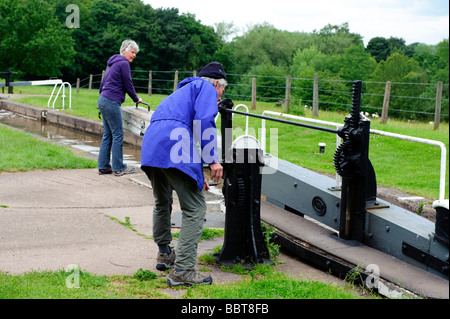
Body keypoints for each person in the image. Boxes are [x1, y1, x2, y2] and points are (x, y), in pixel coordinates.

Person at [140, 62, 226, 287]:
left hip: (152, 145)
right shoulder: (206, 88)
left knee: (162, 201)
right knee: (195, 208)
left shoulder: (180, 93)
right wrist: (213, 160)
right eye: (222, 91)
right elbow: (204, 122)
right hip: (173, 143)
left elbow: (187, 132)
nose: (219, 97)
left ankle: (164, 253)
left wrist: (198, 174)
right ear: (216, 83)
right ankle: (184, 270)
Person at [97, 39, 142, 176]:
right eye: (132, 52)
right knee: (117, 134)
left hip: (103, 99)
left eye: (135, 53)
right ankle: (118, 167)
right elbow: (128, 84)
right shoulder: (123, 63)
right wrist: (136, 99)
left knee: (108, 134)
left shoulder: (113, 63)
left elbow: (103, 82)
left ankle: (103, 166)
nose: (134, 55)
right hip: (111, 101)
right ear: (124, 50)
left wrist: (102, 100)